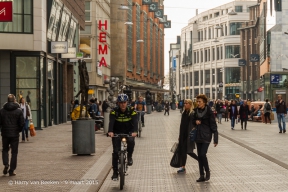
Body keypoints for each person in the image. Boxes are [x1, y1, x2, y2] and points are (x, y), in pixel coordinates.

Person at [108, 94, 138, 181]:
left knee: (131, 141)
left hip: (129, 131)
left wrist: (135, 132)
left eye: (124, 102)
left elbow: (135, 122)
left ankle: (129, 156)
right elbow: (111, 122)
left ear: (127, 102)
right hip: (117, 132)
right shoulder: (114, 111)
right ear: (118, 103)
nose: (122, 104)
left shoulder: (131, 110)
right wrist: (110, 131)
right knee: (115, 153)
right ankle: (115, 173)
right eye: (121, 103)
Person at [193, 94, 218, 182]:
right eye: (197, 101)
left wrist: (215, 139)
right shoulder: (195, 111)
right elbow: (192, 121)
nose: (198, 103)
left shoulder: (209, 112)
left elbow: (214, 126)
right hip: (198, 135)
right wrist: (195, 121)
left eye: (200, 101)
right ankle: (201, 175)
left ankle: (207, 170)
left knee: (203, 154)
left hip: (207, 136)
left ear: (204, 102)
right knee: (200, 156)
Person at [0, 94, 25, 176]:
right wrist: (18, 130)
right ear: (14, 100)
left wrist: (2, 130)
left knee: (5, 149)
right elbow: (22, 123)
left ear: (7, 100)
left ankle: (6, 164)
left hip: (5, 134)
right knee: (14, 152)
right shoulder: (19, 111)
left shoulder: (2, 110)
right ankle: (12, 170)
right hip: (14, 134)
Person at [177, 99, 198, 173]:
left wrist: (192, 134)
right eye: (184, 103)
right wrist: (180, 135)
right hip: (183, 135)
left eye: (186, 103)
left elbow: (193, 125)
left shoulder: (192, 113)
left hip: (189, 135)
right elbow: (181, 125)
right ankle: (183, 167)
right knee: (183, 151)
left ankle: (201, 161)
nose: (185, 104)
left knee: (189, 151)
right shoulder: (184, 113)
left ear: (190, 104)